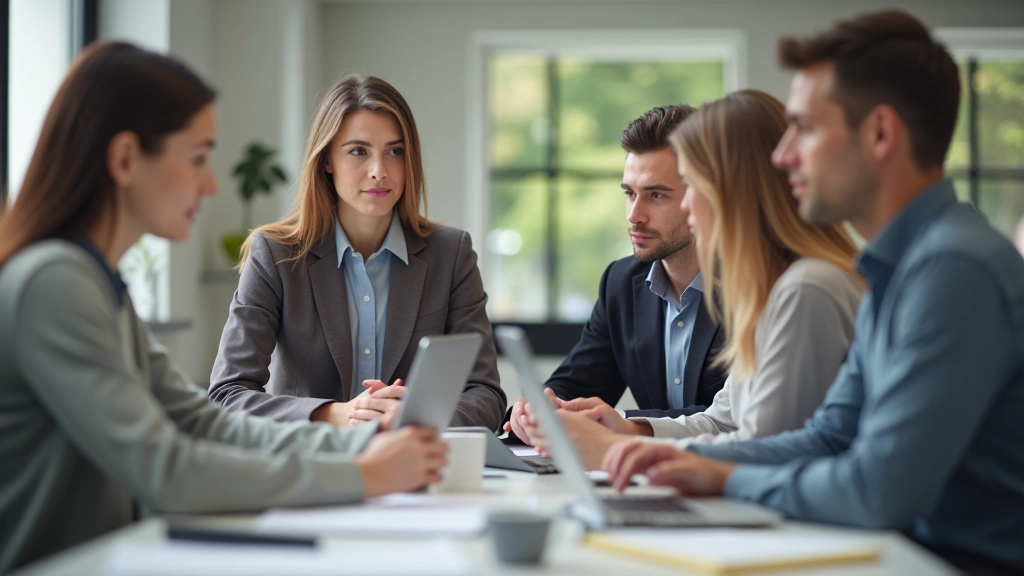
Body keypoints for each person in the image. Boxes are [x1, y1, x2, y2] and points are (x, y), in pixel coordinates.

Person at [603, 11, 1024, 574]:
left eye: (805, 128)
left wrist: (727, 477)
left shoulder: (952, 269)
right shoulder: (899, 265)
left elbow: (877, 490)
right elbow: (829, 436)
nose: (783, 157)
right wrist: (686, 458)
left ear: (879, 133)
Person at [0, 43, 447, 572]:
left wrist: (363, 449)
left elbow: (202, 422)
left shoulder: (97, 284)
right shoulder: (54, 283)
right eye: (197, 158)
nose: (211, 183)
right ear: (124, 159)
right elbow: (167, 469)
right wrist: (365, 475)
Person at [526, 90, 864, 469]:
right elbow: (725, 420)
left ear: (737, 192)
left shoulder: (804, 288)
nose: (687, 206)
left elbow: (768, 448)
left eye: (689, 186)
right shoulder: (770, 286)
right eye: (631, 194)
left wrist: (617, 450)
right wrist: (626, 431)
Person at [208, 74, 505, 431]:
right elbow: (227, 394)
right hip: (309, 470)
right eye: (358, 151)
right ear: (327, 160)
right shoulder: (274, 254)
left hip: (414, 468)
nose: (379, 171)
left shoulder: (451, 253)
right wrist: (339, 414)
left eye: (395, 152)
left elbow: (485, 393)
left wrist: (412, 419)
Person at [505, 105, 729, 446]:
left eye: (656, 195)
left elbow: (729, 418)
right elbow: (575, 385)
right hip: (653, 481)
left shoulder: (753, 282)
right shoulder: (622, 283)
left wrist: (620, 421)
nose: (634, 215)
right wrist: (540, 409)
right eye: (629, 193)